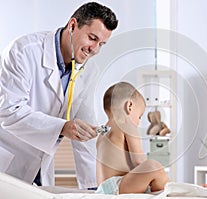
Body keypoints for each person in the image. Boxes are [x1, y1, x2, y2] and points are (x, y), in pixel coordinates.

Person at [0, 2, 118, 189]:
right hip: (6, 164)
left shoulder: (88, 70)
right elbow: (8, 112)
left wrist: (93, 189)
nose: (94, 49)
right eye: (92, 38)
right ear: (72, 25)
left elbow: (84, 133)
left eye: (101, 44)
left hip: (40, 168)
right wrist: (63, 127)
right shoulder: (23, 51)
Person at [95, 82, 169, 194]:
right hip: (118, 185)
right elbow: (139, 161)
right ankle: (172, 190)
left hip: (103, 189)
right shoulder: (126, 123)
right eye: (140, 116)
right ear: (129, 106)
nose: (139, 122)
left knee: (149, 171)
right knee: (153, 166)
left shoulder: (103, 131)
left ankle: (162, 190)